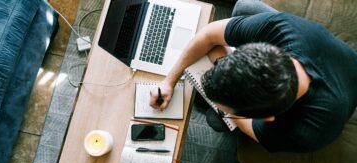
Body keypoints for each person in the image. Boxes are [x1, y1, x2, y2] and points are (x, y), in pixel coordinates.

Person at [149, 0, 357, 152]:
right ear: (259, 49)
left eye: (230, 109)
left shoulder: (303, 132)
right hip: (339, 62)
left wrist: (226, 112)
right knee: (245, 7)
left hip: (340, 101)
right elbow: (208, 34)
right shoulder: (284, 29)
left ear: (266, 118)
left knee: (215, 119)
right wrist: (169, 81)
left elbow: (252, 129)